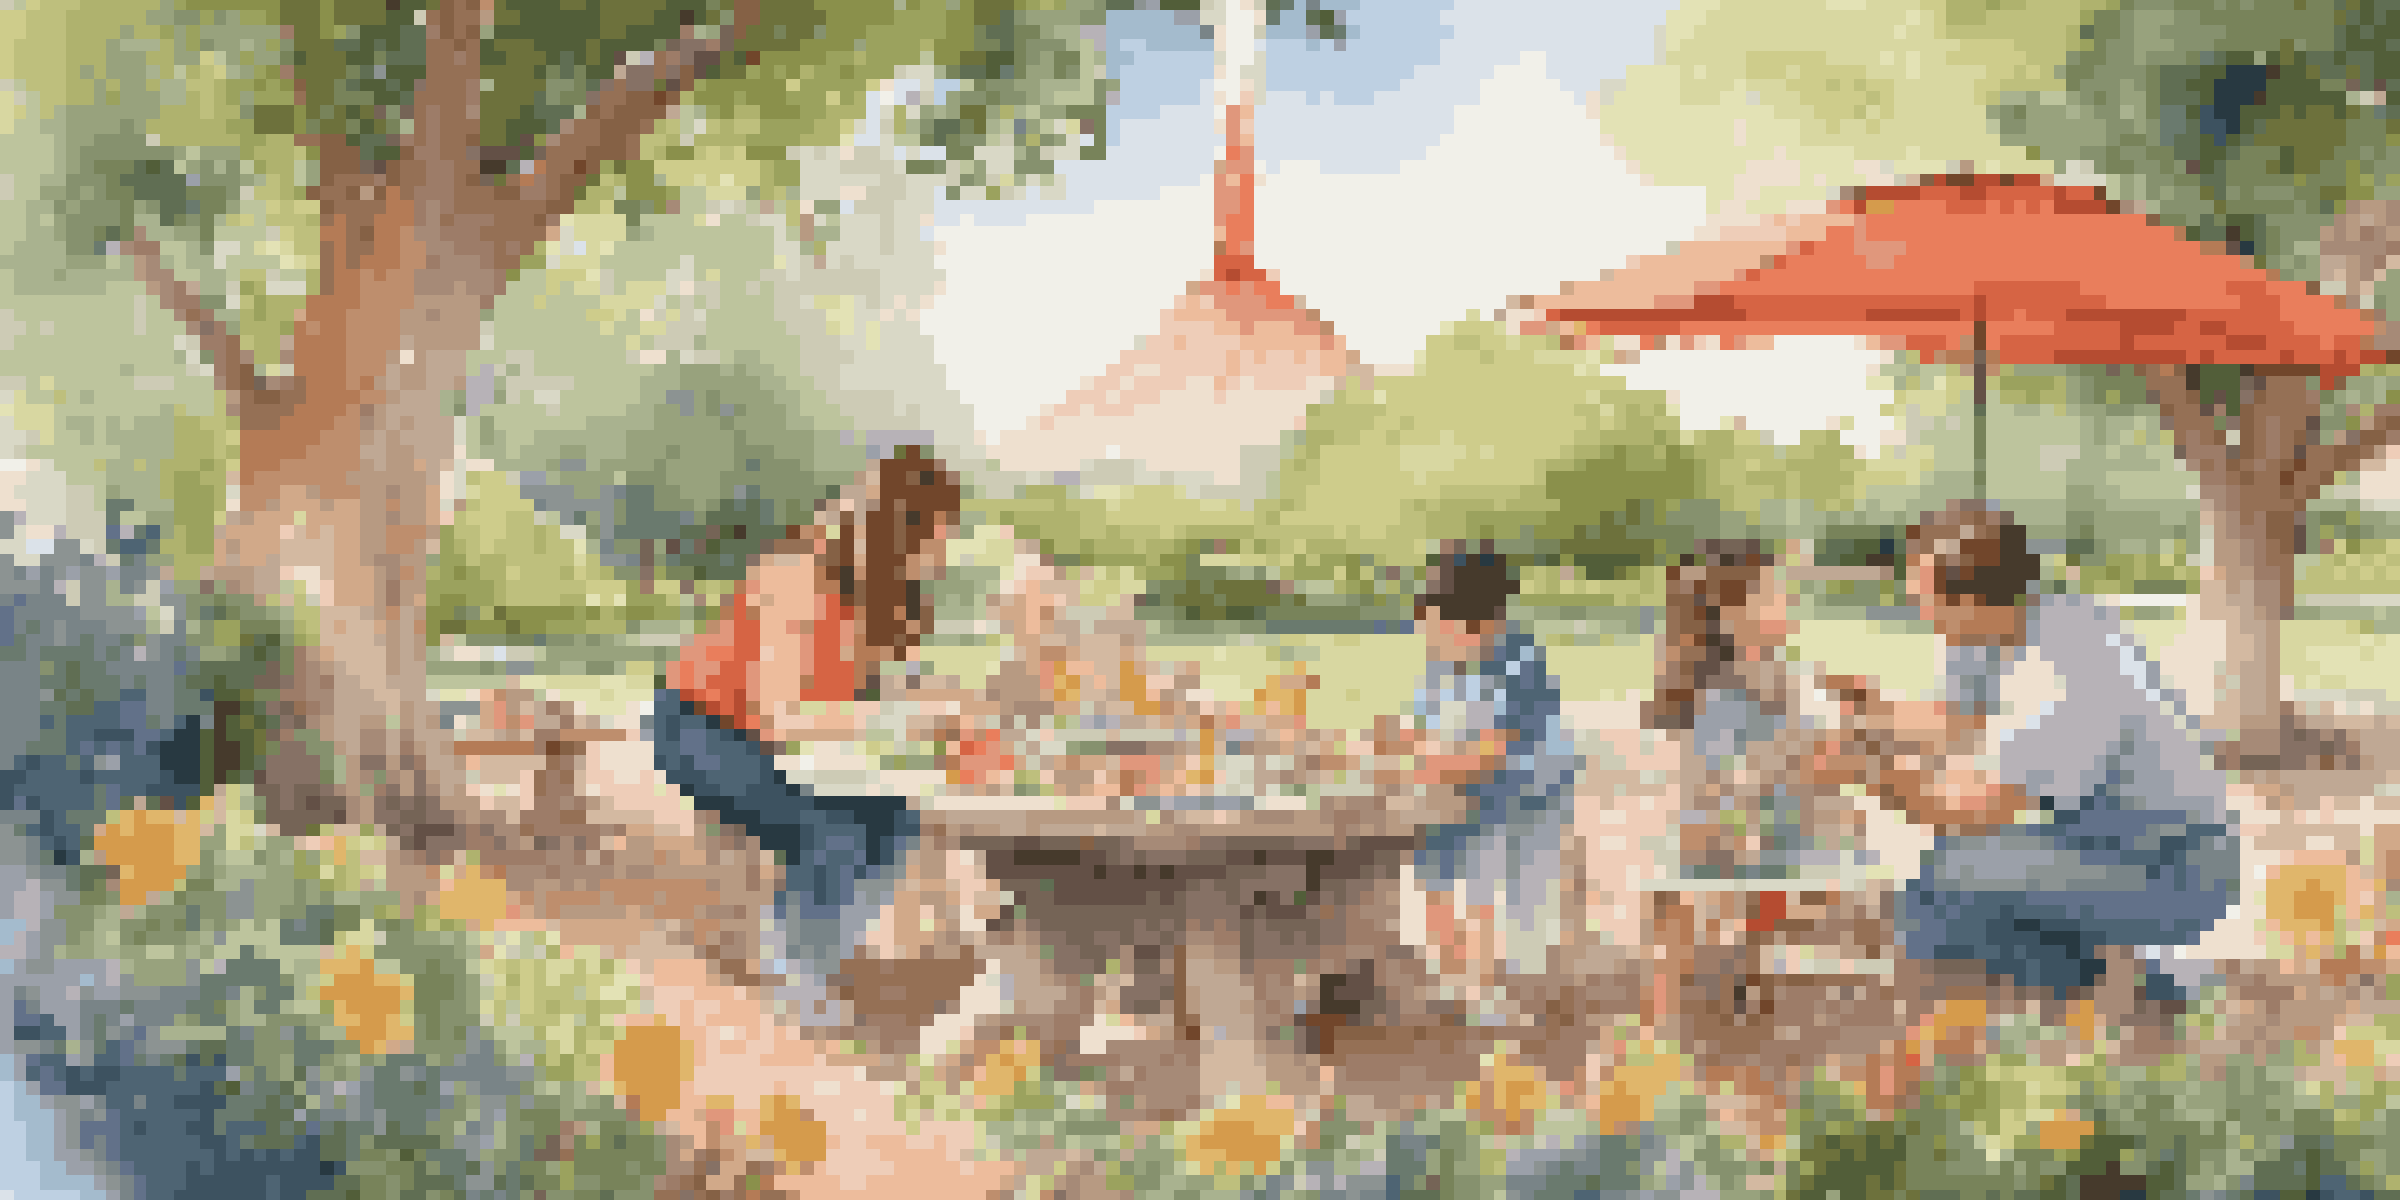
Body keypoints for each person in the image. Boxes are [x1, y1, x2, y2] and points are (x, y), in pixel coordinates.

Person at [1827, 501, 2238, 1035]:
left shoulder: (2067, 677)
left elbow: (1959, 811)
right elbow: (1959, 723)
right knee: (1955, 882)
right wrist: (1868, 712)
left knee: (1939, 886)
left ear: (1971, 599)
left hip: (2174, 871)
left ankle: (2121, 996)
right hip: (2104, 843)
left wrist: (1863, 769)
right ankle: (2097, 981)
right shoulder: (2015, 620)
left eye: (1921, 590)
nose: (1912, 602)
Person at [647, 447, 965, 1025]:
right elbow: (782, 716)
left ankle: (813, 949)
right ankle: (793, 964)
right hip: (702, 727)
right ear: (893, 528)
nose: (938, 559)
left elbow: (880, 697)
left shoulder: (887, 597)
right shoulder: (796, 575)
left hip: (788, 746)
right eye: (933, 541)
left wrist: (935, 706)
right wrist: (907, 717)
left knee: (896, 819)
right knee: (834, 833)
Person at [1371, 542, 1583, 1026]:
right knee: (1432, 865)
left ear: (1484, 623)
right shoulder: (1444, 661)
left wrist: (1423, 760)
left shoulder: (1518, 662)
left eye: (1441, 626)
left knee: (1483, 878)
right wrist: (1401, 743)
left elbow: (1493, 747)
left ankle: (1483, 986)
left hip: (1521, 794)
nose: (1432, 637)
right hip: (1460, 786)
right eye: (1429, 624)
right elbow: (1429, 726)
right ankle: (1453, 977)